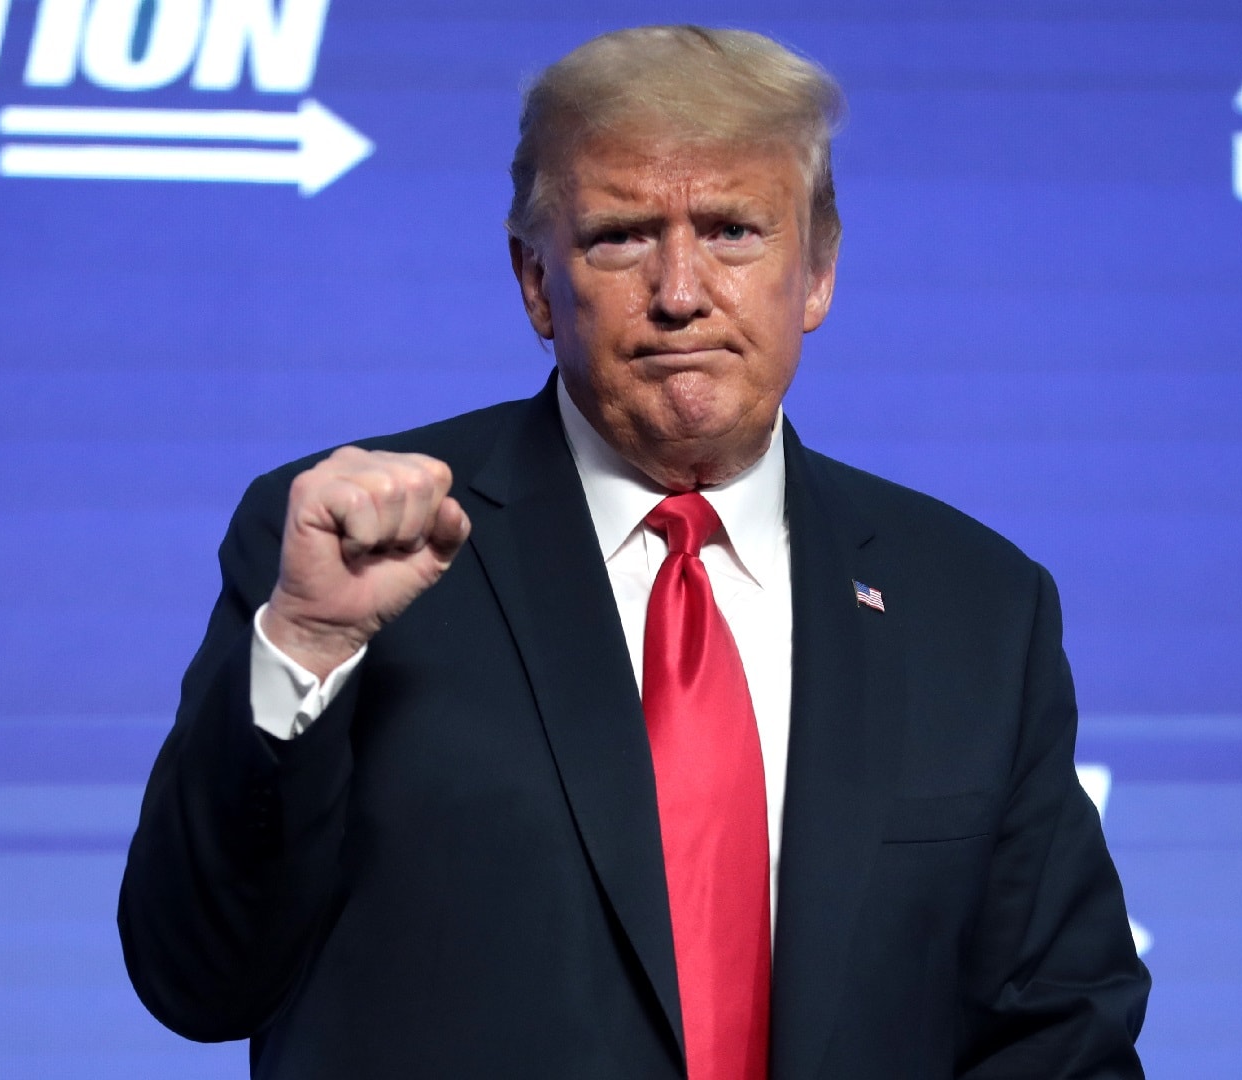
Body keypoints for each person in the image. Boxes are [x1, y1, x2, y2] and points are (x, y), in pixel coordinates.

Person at [119, 25, 1149, 1080]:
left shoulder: (975, 602)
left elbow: (1061, 1033)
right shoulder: (349, 549)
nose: (681, 291)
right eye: (620, 236)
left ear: (818, 273)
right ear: (534, 281)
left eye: (735, 231)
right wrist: (308, 642)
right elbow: (199, 978)